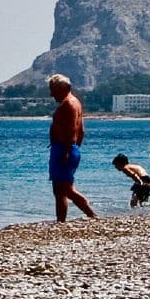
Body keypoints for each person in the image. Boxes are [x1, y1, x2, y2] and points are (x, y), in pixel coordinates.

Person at [46, 74, 96, 221]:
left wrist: (67, 150)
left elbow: (72, 129)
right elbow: (81, 130)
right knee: (59, 189)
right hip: (65, 147)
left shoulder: (69, 104)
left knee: (65, 188)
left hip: (64, 148)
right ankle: (61, 221)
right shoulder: (74, 103)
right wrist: (75, 148)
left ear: (64, 88)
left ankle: (91, 214)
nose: (52, 94)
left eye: (54, 90)